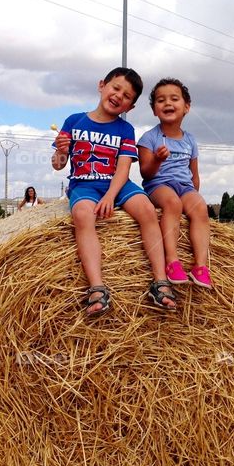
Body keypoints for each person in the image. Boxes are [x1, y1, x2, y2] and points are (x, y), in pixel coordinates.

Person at [51, 67, 177, 316]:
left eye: (127, 96)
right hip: (83, 183)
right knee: (83, 216)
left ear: (130, 107)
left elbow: (123, 168)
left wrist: (110, 195)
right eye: (115, 88)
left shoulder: (124, 130)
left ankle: (160, 282)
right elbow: (58, 165)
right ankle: (97, 288)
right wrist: (61, 151)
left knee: (148, 210)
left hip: (118, 184)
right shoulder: (74, 121)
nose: (119, 96)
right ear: (102, 85)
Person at [137, 78, 212, 289]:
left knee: (200, 208)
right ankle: (172, 260)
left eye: (174, 99)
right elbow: (146, 172)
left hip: (185, 186)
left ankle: (200, 266)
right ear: (154, 110)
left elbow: (194, 174)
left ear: (186, 107)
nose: (168, 103)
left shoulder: (190, 140)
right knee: (172, 204)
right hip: (158, 185)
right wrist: (157, 159)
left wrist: (194, 197)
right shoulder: (148, 138)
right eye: (161, 100)